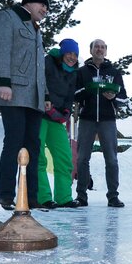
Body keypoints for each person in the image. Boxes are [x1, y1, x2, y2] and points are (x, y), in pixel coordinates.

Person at [0, 0, 49, 209]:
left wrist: (46, 94)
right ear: (30, 3)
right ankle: (5, 196)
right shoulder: (7, 17)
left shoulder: (36, 29)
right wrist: (3, 81)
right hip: (13, 92)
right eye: (42, 6)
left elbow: (39, 67)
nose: (45, 11)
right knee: (13, 142)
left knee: (33, 146)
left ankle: (30, 197)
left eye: (47, 8)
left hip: (34, 97)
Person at [73, 39, 127, 207]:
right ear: (90, 50)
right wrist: (88, 90)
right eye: (96, 47)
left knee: (111, 159)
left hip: (108, 120)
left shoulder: (114, 72)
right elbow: (74, 93)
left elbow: (124, 98)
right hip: (87, 119)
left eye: (102, 47)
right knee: (82, 158)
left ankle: (113, 197)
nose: (99, 49)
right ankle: (81, 196)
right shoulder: (81, 72)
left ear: (106, 51)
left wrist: (114, 97)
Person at [37, 38, 81, 209]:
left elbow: (70, 96)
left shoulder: (73, 72)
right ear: (63, 53)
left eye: (75, 54)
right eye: (69, 53)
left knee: (64, 157)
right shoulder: (48, 62)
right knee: (39, 157)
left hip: (56, 119)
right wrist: (46, 102)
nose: (72, 57)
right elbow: (40, 83)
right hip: (40, 114)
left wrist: (66, 112)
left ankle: (64, 197)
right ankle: (43, 197)